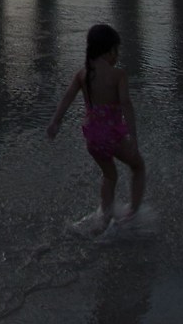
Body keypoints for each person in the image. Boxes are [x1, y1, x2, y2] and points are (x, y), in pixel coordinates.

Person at [47, 22, 146, 235]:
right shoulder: (118, 75)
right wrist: (134, 137)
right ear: (110, 50)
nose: (117, 55)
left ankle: (104, 219)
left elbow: (67, 99)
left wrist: (55, 122)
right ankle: (132, 214)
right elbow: (126, 105)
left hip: (92, 136)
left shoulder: (83, 74)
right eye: (116, 50)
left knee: (109, 176)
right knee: (138, 167)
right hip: (112, 135)